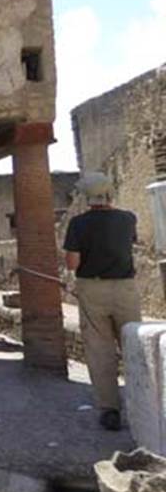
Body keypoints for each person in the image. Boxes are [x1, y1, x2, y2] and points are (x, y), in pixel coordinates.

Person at [62, 172, 143, 431]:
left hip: (93, 288)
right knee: (133, 344)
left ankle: (110, 409)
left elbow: (72, 263)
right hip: (125, 287)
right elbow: (129, 245)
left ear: (87, 196)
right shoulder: (128, 218)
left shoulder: (78, 224)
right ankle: (144, 403)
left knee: (99, 349)